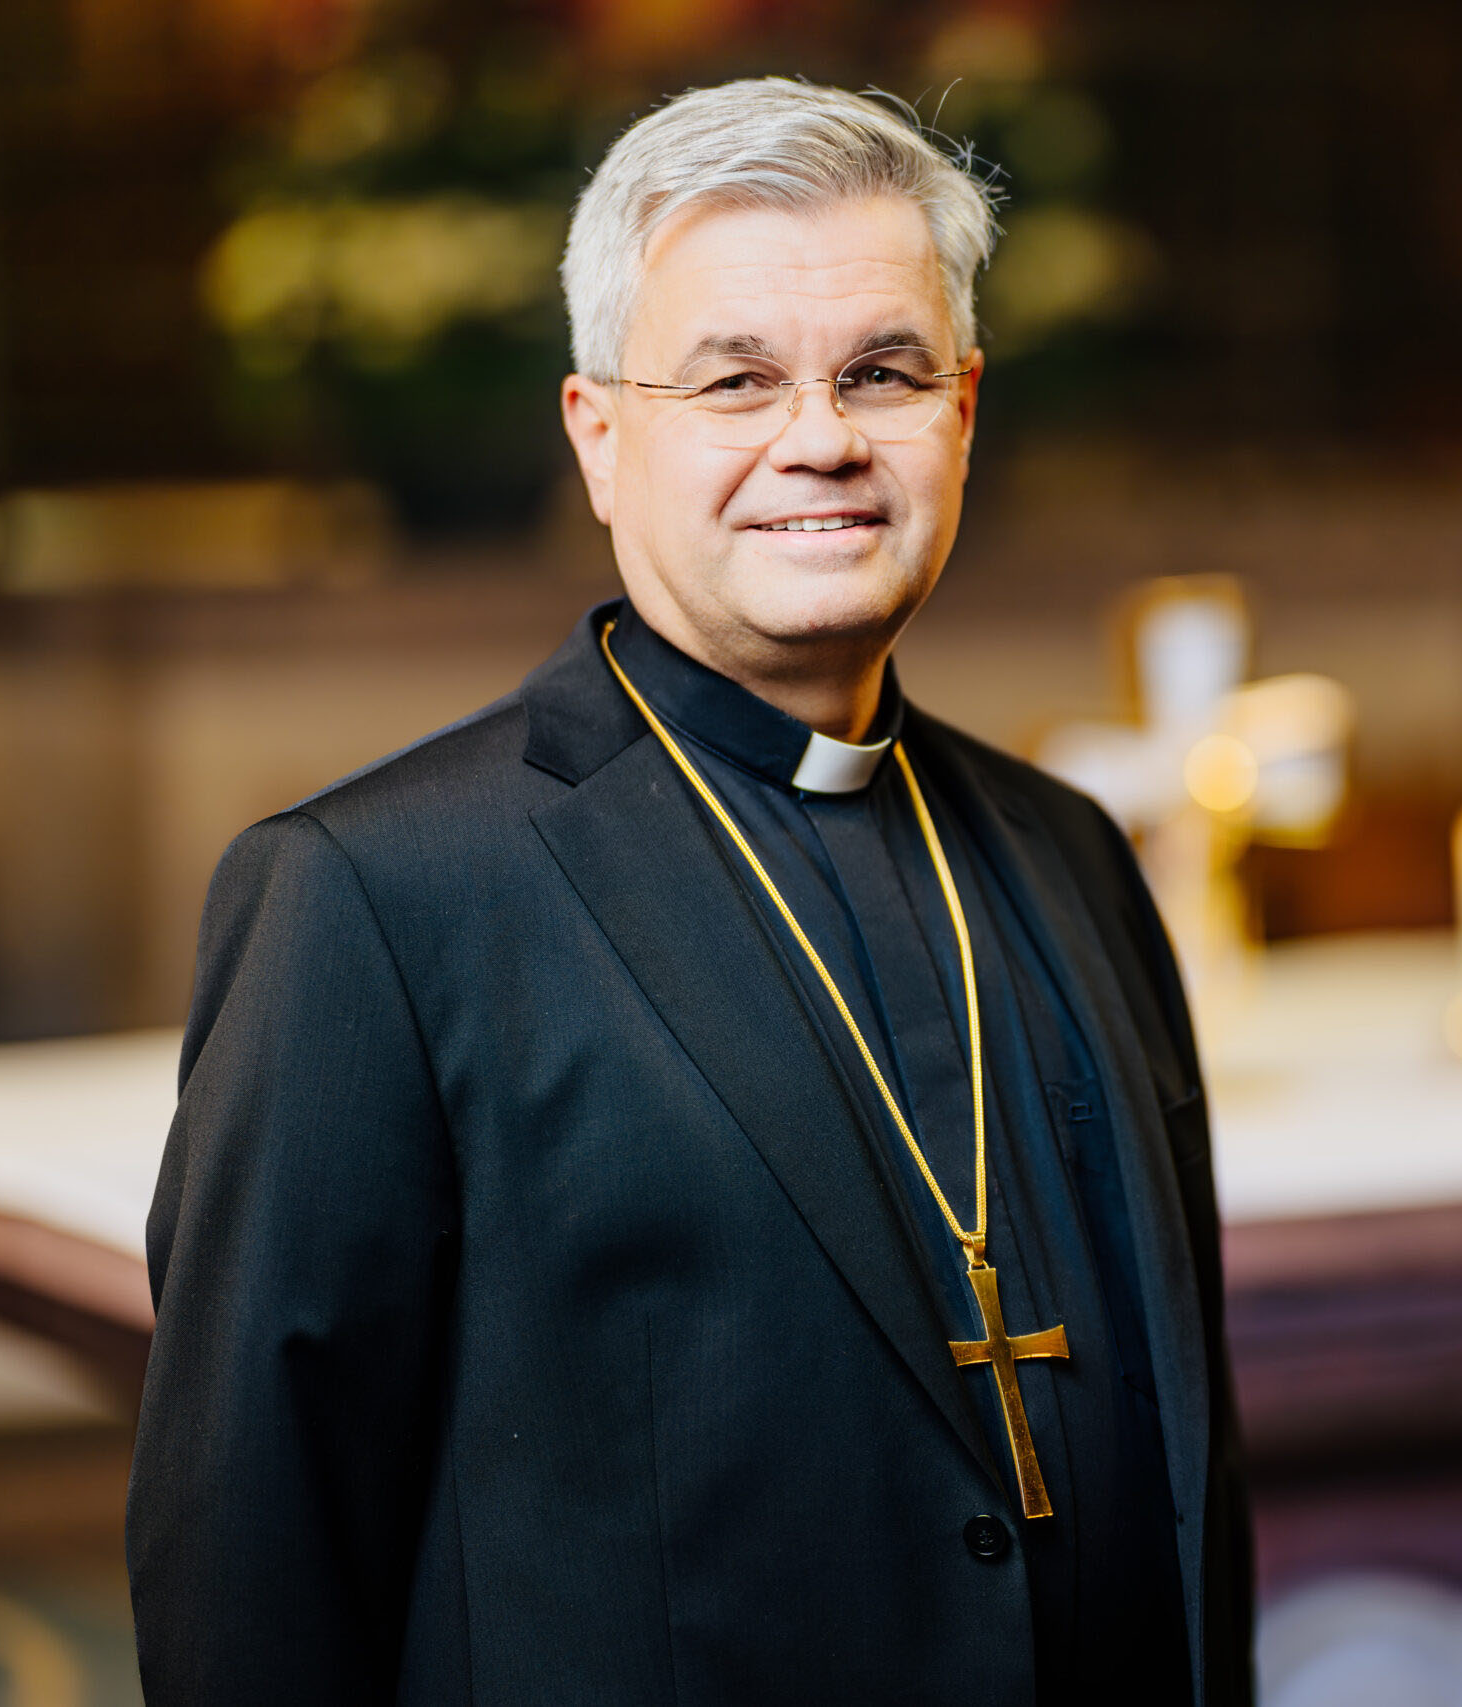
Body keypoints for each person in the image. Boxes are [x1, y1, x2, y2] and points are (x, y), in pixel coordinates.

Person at [125, 77, 1252, 1706]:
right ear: (600, 435)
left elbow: (1182, 1453)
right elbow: (252, 1564)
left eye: (884, 371)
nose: (822, 437)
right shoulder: (377, 898)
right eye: (736, 380)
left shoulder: (1070, 851)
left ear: (966, 410)